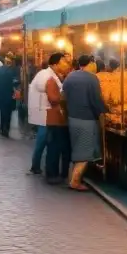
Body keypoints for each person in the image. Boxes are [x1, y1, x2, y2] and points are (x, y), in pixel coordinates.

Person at [62, 55, 106, 191]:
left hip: (72, 118)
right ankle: (74, 182)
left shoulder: (70, 76)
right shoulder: (92, 78)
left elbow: (63, 97)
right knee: (85, 152)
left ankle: (72, 178)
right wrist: (104, 112)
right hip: (86, 119)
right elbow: (96, 100)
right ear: (90, 63)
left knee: (77, 150)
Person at [43, 54, 71, 185]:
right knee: (54, 148)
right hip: (54, 119)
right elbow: (53, 99)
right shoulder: (51, 80)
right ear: (54, 64)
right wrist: (64, 98)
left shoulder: (58, 79)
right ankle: (51, 174)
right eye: (63, 62)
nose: (65, 64)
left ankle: (56, 173)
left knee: (58, 147)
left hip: (60, 119)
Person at [0, 56, 18, 138]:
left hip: (0, 95)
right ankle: (6, 129)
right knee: (8, 113)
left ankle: (3, 128)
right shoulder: (11, 71)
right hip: (9, 96)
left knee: (3, 113)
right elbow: (14, 83)